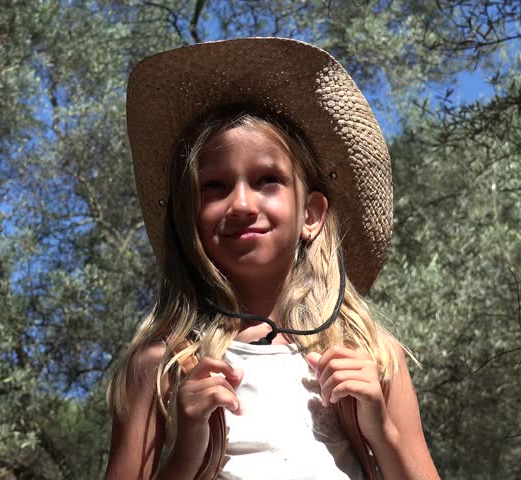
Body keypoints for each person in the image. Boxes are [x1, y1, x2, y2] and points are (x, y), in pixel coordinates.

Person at [105, 37, 439, 479]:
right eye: (215, 187)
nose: (241, 203)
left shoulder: (372, 356)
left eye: (267, 180)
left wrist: (382, 432)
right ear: (191, 221)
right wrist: (187, 453)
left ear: (311, 216)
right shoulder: (161, 366)